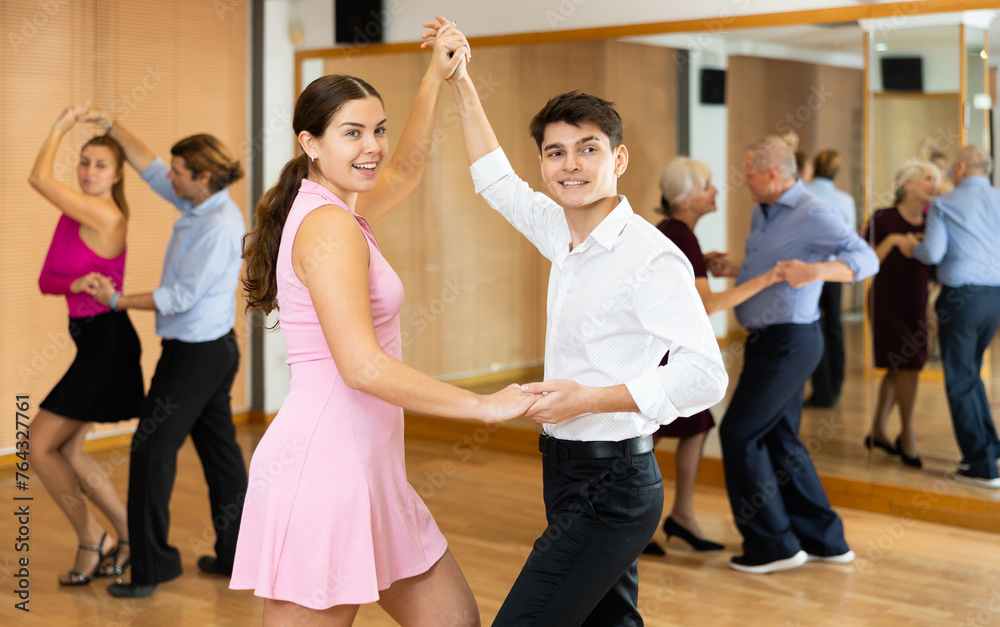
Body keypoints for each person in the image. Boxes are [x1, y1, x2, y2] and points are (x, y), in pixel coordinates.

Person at [231, 22, 534, 626]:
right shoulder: (328, 226)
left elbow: (406, 169)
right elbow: (362, 365)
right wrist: (484, 407)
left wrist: (435, 78)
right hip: (324, 466)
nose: (371, 146)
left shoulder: (338, 206)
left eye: (377, 130)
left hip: (369, 464)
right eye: (352, 133)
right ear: (309, 143)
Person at [432, 17, 728, 625]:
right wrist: (461, 80)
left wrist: (587, 399)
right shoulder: (561, 231)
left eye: (588, 149)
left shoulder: (651, 257)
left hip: (615, 481)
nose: (571, 165)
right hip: (565, 470)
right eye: (555, 152)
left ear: (618, 158)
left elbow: (705, 376)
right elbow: (495, 180)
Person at [84, 113, 250, 597]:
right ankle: (237, 555)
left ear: (203, 177)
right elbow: (150, 167)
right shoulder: (198, 200)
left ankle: (151, 569)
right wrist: (112, 127)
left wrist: (114, 300)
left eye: (180, 171)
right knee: (222, 458)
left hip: (197, 355)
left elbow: (179, 297)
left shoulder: (219, 225)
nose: (169, 178)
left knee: (151, 450)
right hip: (209, 350)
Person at [709, 136, 878, 574]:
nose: (742, 180)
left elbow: (866, 258)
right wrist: (733, 269)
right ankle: (825, 539)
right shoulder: (762, 210)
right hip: (769, 340)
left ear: (771, 175)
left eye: (748, 173)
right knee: (781, 441)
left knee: (738, 434)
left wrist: (816, 271)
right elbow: (773, 264)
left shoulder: (813, 211)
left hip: (790, 342)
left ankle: (773, 546)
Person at [643, 158, 784, 556]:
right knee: (649, 438)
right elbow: (704, 304)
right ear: (686, 198)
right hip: (664, 353)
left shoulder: (677, 232)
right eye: (708, 186)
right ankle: (637, 523)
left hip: (670, 349)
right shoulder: (681, 235)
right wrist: (766, 278)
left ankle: (681, 515)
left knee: (697, 424)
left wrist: (703, 266)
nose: (716, 191)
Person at [28, 105, 142, 586]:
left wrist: (58, 127)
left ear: (117, 176)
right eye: (84, 162)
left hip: (107, 343)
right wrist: (73, 284)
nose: (89, 172)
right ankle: (127, 537)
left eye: (100, 165)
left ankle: (91, 539)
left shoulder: (103, 213)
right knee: (69, 451)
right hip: (90, 341)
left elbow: (37, 178)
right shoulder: (71, 216)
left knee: (37, 445)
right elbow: (45, 281)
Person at [913, 145, 1000, 489]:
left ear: (961, 167)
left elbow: (932, 252)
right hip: (995, 296)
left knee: (960, 378)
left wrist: (912, 247)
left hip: (962, 298)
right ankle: (991, 448)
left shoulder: (944, 204)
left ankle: (981, 465)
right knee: (971, 373)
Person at [863, 160, 939, 468]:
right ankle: (907, 435)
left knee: (901, 366)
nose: (934, 184)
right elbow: (866, 262)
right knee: (908, 365)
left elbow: (936, 269)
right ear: (907, 184)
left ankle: (878, 431)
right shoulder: (882, 218)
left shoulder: (934, 220)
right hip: (886, 301)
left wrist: (931, 304)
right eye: (927, 178)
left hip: (918, 301)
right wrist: (895, 241)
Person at [804, 149, 857, 408]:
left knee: (814, 326)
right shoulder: (845, 200)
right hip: (834, 270)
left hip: (805, 271)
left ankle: (821, 390)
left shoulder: (803, 192)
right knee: (834, 326)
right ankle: (835, 386)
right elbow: (850, 240)